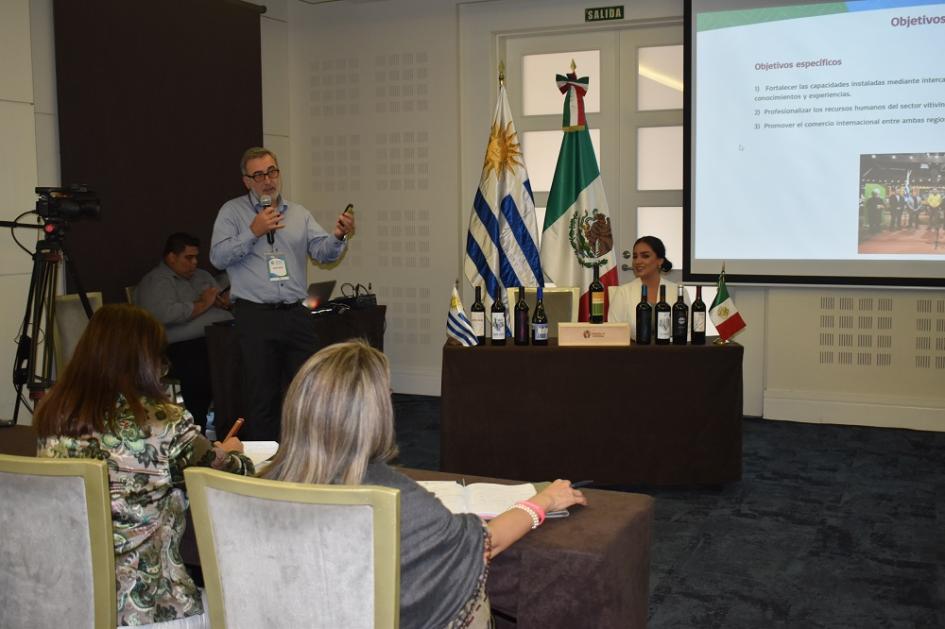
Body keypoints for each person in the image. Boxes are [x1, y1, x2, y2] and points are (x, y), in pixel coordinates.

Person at [263, 341, 588, 629]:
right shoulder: (394, 496)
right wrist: (541, 503)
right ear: (375, 413)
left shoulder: (263, 482)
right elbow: (482, 545)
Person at [34, 304, 253, 627]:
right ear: (144, 360)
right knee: (242, 608)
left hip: (74, 600)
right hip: (152, 606)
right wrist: (234, 453)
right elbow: (228, 474)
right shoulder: (163, 421)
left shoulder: (54, 413)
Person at [210, 147, 355, 441]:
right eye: (259, 175)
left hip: (294, 315)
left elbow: (323, 253)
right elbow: (217, 257)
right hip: (255, 317)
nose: (268, 180)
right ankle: (266, 468)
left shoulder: (299, 214)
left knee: (309, 390)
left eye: (272, 171)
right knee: (262, 397)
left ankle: (309, 457)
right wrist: (253, 231)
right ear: (247, 181)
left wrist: (338, 235)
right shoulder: (232, 212)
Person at [135, 232, 233, 433]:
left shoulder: (203, 276)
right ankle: (198, 426)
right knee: (201, 369)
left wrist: (224, 303)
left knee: (248, 359)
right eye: (188, 258)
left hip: (219, 337)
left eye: (196, 257)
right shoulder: (156, 281)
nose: (194, 263)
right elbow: (164, 315)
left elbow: (218, 300)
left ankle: (233, 423)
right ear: (171, 257)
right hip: (179, 347)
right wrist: (204, 304)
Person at [608, 235, 689, 339]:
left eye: (645, 256)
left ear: (660, 261)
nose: (637, 261)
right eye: (635, 256)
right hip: (633, 353)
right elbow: (613, 333)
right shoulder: (623, 292)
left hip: (671, 352)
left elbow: (688, 333)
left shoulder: (679, 291)